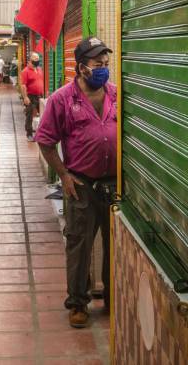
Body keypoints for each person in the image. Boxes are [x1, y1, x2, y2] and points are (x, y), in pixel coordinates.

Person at [34, 37, 116, 329]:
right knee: (79, 245)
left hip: (114, 186)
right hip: (81, 185)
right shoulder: (61, 100)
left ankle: (112, 296)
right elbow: (44, 142)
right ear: (81, 68)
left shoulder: (117, 95)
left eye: (106, 65)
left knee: (115, 244)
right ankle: (78, 303)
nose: (103, 70)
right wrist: (64, 175)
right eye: (98, 65)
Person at [19, 52, 44, 141]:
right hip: (30, 96)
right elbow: (23, 85)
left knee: (43, 114)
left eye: (38, 59)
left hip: (40, 96)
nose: (37, 61)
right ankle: (29, 134)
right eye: (35, 59)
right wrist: (25, 97)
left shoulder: (39, 69)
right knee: (29, 114)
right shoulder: (25, 71)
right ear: (30, 60)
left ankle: (42, 132)